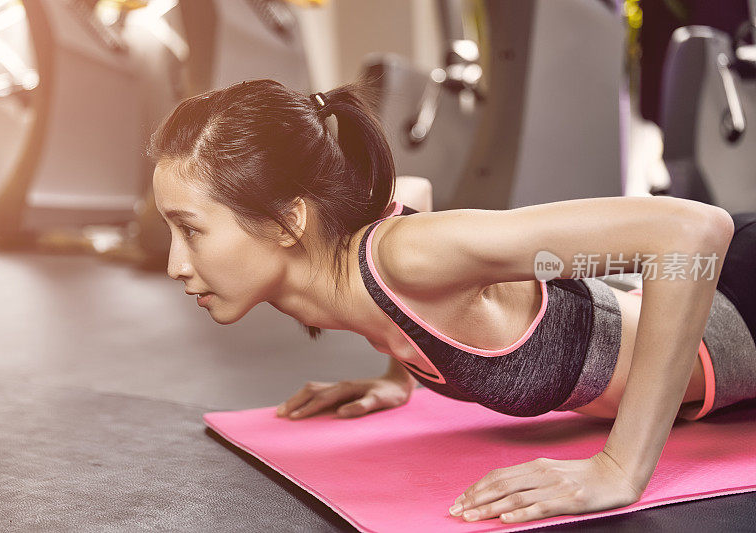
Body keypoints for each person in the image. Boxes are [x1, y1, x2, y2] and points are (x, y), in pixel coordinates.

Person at [146, 77, 754, 525]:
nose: (175, 264)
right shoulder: (340, 268)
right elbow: (412, 188)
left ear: (287, 222)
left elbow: (692, 232)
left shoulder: (407, 256)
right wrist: (399, 374)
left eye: (192, 229)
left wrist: (620, 469)